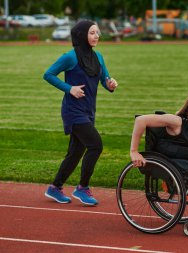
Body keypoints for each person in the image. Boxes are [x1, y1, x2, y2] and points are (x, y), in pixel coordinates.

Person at [43, 20, 118, 205]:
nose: (97, 36)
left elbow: (105, 79)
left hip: (89, 110)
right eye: (92, 32)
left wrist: (110, 84)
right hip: (73, 111)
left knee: (76, 152)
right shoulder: (70, 57)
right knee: (95, 145)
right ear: (81, 35)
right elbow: (48, 74)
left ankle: (54, 187)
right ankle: (82, 188)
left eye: (97, 32)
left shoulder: (98, 57)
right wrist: (70, 88)